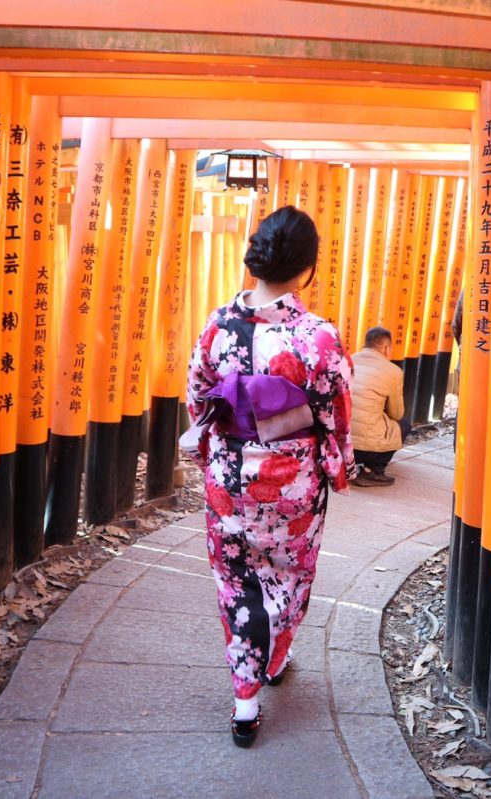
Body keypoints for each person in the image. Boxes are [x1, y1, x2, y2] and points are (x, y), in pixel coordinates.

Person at [185, 205, 355, 748]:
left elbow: (198, 397)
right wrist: (337, 463)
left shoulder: (217, 326)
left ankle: (245, 701)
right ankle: (275, 655)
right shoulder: (317, 338)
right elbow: (336, 414)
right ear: (307, 268)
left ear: (255, 255)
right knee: (289, 574)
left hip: (229, 477)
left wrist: (218, 447)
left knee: (236, 582)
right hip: (292, 481)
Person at [349, 326, 411, 486]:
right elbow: (396, 414)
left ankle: (344, 465)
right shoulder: (393, 371)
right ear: (386, 348)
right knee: (403, 424)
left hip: (339, 443)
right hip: (364, 449)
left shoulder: (348, 360)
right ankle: (372, 470)